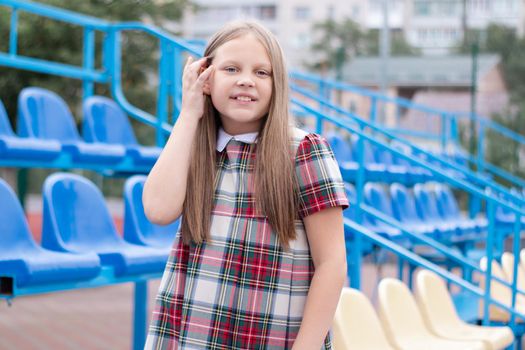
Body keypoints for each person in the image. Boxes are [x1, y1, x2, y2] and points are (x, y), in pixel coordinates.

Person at [143, 20, 349, 350]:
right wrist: (189, 112)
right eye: (231, 68)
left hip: (275, 336)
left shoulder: (303, 150)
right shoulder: (193, 148)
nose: (245, 80)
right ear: (206, 77)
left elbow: (332, 262)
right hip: (195, 335)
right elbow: (157, 209)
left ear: (277, 84)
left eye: (261, 73)